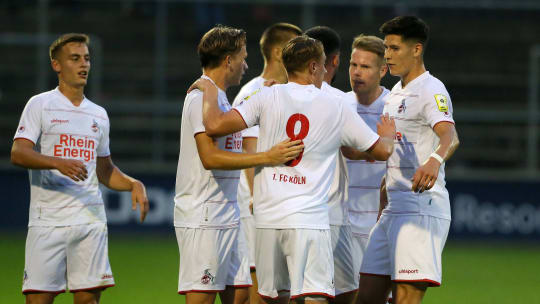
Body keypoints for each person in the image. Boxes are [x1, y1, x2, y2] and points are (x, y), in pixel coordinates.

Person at [190, 35, 396, 304]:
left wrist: (208, 88)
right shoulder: (335, 105)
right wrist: (389, 136)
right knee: (316, 297)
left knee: (269, 298)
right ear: (312, 67)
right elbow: (381, 151)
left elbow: (215, 125)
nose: (324, 71)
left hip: (268, 220)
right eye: (322, 66)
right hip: (309, 219)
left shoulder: (265, 96)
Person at [11, 33, 149, 304]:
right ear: (57, 65)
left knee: (87, 300)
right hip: (47, 220)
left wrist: (134, 183)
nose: (84, 64)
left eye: (86, 58)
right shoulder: (40, 104)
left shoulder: (98, 114)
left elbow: (105, 170)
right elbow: (18, 152)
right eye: (75, 59)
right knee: (38, 300)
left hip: (89, 220)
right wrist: (56, 162)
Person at [173, 25, 304, 304]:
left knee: (242, 295)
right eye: (242, 57)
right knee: (202, 298)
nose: (246, 64)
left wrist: (267, 96)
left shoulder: (218, 98)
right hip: (203, 214)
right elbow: (209, 158)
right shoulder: (199, 97)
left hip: (228, 212)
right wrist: (267, 157)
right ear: (228, 60)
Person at [357, 16, 460, 304]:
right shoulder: (395, 94)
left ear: (416, 49)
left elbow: (450, 136)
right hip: (393, 209)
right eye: (386, 49)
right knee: (366, 296)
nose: (387, 55)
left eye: (394, 48)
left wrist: (434, 160)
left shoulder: (431, 89)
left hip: (420, 207)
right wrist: (383, 195)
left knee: (405, 299)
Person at [231, 22, 301, 304]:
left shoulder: (283, 90)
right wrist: (257, 196)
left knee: (277, 286)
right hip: (257, 203)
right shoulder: (255, 91)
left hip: (277, 200)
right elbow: (250, 148)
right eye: (294, 47)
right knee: (262, 286)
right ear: (277, 52)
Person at [304, 25, 357, 304]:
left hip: (291, 207)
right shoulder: (339, 100)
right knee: (334, 293)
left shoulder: (276, 95)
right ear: (335, 60)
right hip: (328, 211)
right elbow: (361, 148)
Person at [338, 34, 390, 303]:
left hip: (379, 227)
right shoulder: (337, 105)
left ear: (383, 70)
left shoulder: (395, 109)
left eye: (365, 67)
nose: (356, 72)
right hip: (340, 225)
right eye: (353, 64)